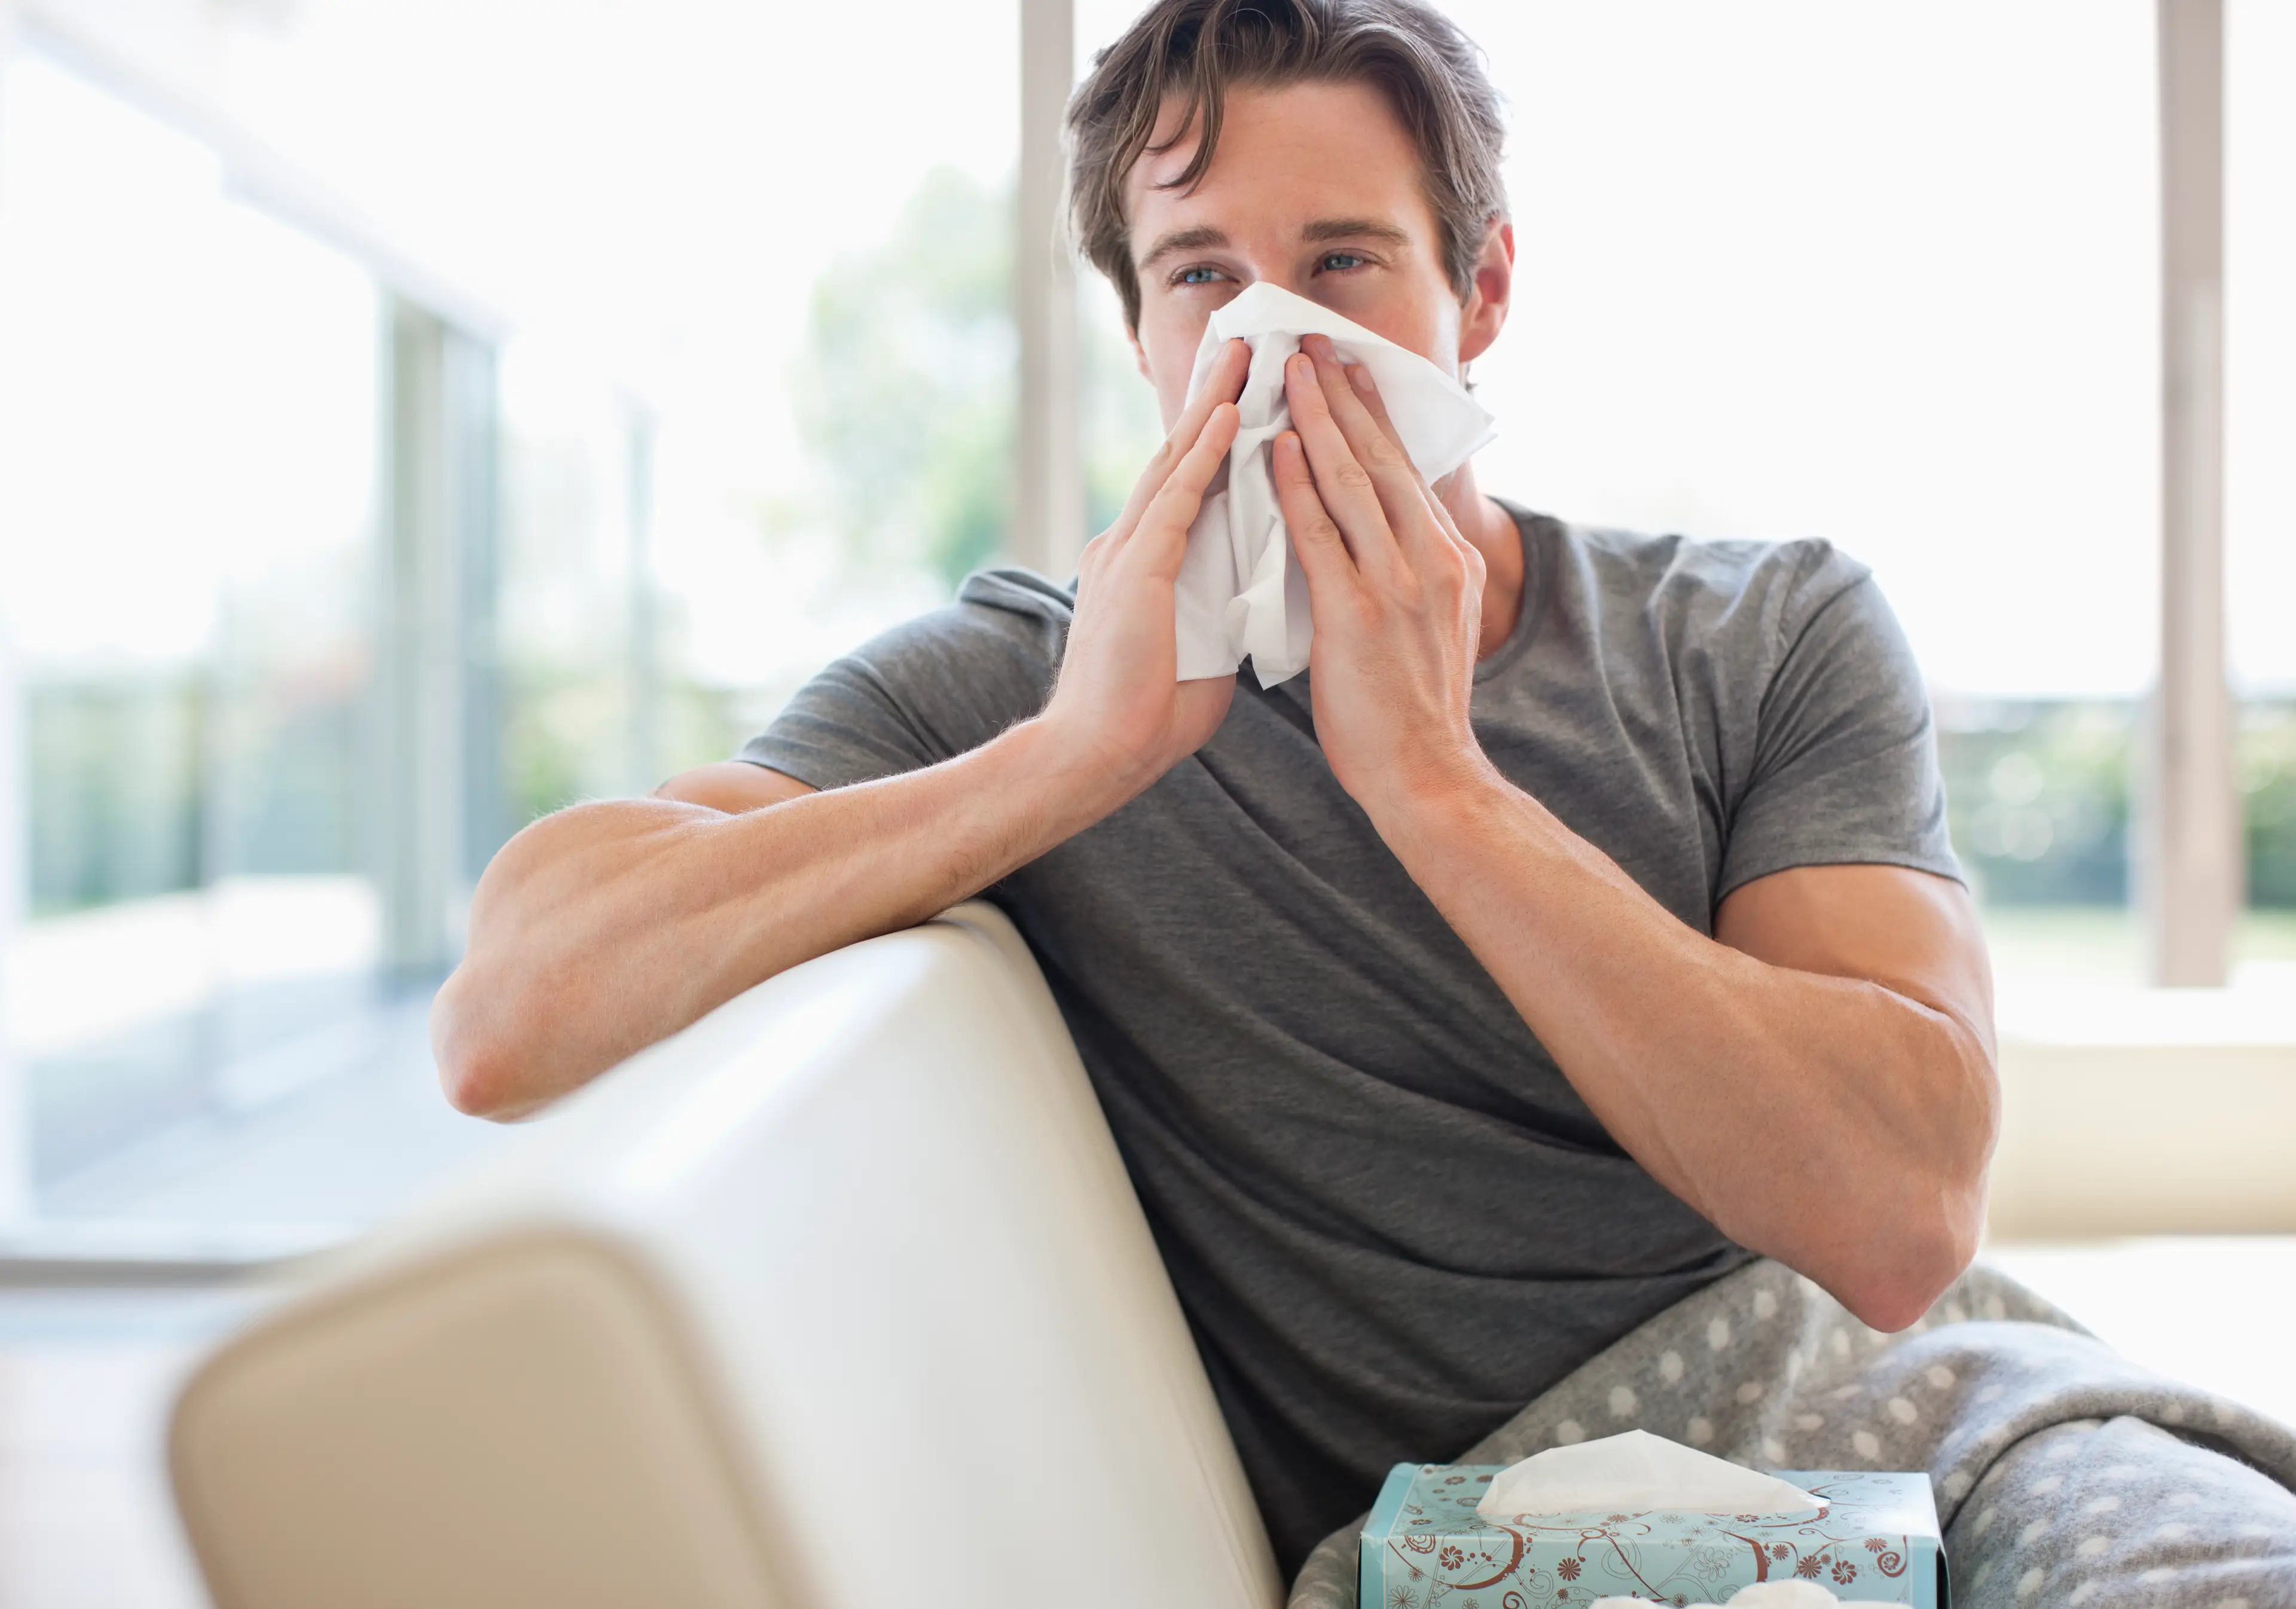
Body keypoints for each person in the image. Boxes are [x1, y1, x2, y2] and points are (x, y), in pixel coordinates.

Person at [431, 0, 2001, 1576]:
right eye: (1203, 277)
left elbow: (1903, 1221)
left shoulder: (1761, 633)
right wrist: (1070, 759)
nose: (1276, 343)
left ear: (1484, 289)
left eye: (1344, 264)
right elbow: (508, 1014)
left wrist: (1440, 791)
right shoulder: (1023, 685)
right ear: (1143, 338)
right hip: (1483, 1538)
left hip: (1858, 1425)